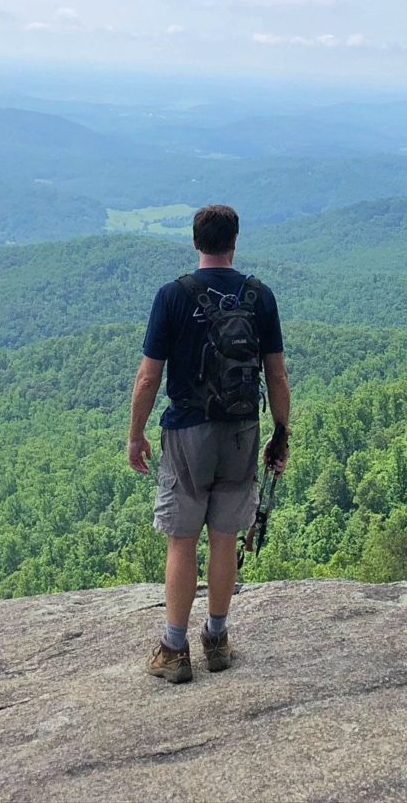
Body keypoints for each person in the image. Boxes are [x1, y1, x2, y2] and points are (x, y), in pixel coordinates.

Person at [128, 204, 291, 684]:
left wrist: (136, 434)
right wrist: (281, 434)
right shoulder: (259, 296)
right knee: (224, 536)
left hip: (187, 432)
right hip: (242, 430)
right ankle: (217, 639)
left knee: (183, 538)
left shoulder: (172, 296)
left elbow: (147, 377)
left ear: (196, 242)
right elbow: (277, 375)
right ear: (234, 241)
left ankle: (174, 649)